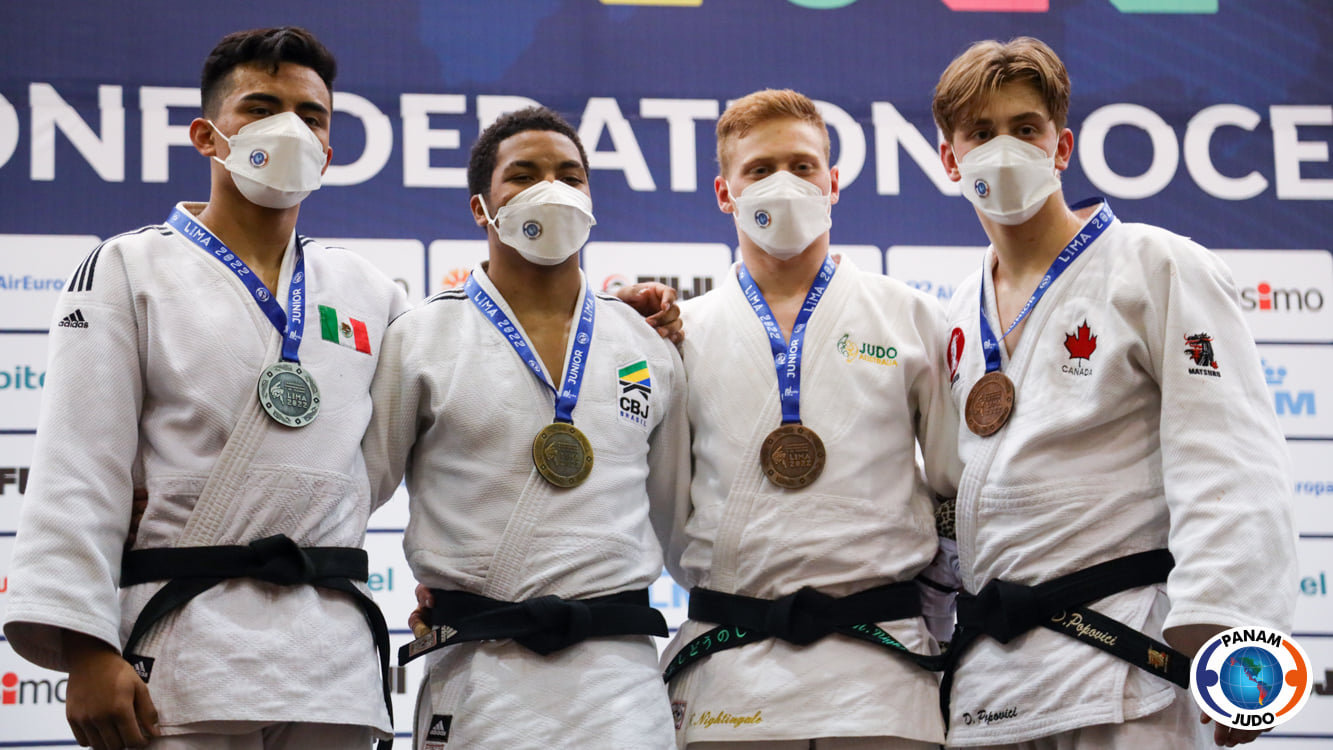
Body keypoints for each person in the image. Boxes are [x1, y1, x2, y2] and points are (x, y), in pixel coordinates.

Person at [3, 27, 403, 750]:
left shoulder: (372, 292)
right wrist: (86, 647)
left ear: (328, 150)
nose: (289, 128)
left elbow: (413, 437)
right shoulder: (126, 268)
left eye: (311, 116)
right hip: (184, 644)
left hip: (330, 658)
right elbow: (79, 464)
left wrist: (616, 326)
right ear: (206, 135)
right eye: (261, 107)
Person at [932, 37, 1297, 749]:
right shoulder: (952, 315)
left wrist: (1236, 640)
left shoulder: (1157, 267)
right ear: (950, 158)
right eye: (981, 132)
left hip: (1123, 660)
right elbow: (949, 496)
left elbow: (1229, 455)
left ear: (1061, 147)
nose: (1003, 149)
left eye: (1025, 128)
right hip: (990, 684)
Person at [361, 106, 690, 749]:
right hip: (478, 668)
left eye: (570, 175)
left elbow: (674, 515)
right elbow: (355, 493)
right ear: (481, 209)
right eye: (524, 175)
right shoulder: (420, 339)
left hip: (617, 677)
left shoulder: (646, 345)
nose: (551, 189)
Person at [659, 89, 963, 749]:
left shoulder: (911, 318)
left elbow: (954, 486)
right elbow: (664, 507)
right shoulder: (682, 335)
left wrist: (940, 613)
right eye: (759, 169)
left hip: (881, 667)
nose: (784, 183)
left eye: (802, 166)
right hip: (729, 665)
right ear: (725, 193)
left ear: (832, 183)